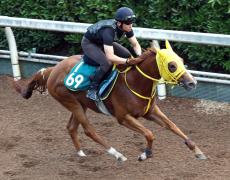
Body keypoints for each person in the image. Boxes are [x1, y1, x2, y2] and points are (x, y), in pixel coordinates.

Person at [81, 7, 142, 101]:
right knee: (107, 63)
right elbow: (110, 57)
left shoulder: (127, 28)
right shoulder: (108, 31)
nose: (130, 25)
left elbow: (135, 44)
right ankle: (92, 89)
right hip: (90, 43)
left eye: (131, 22)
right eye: (128, 23)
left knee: (127, 54)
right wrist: (128, 61)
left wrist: (139, 56)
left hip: (102, 42)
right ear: (119, 23)